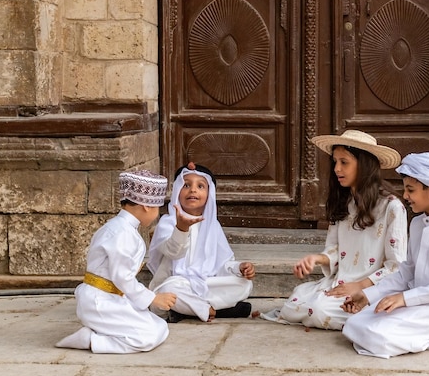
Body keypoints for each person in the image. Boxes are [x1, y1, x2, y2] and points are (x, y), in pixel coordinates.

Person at [340, 152, 429, 358]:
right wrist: (367, 296)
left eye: (411, 190)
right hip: (415, 302)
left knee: (376, 336)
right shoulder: (418, 224)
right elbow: (405, 274)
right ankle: (424, 332)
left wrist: (404, 298)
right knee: (354, 324)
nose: (405, 196)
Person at [261, 129, 408, 330]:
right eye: (335, 162)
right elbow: (336, 249)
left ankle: (365, 314)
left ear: (364, 165)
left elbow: (396, 265)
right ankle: (356, 317)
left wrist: (360, 285)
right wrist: (316, 259)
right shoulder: (343, 203)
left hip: (371, 288)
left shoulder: (392, 207)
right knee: (296, 299)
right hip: (339, 282)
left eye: (344, 162)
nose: (337, 169)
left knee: (319, 310)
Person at [56, 170, 177, 353]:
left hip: (112, 298)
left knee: (160, 327)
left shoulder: (119, 228)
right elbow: (122, 278)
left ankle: (101, 332)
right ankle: (90, 340)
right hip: (99, 302)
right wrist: (153, 298)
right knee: (148, 338)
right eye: (157, 209)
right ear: (146, 206)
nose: (156, 214)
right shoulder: (122, 233)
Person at [147, 162, 255, 323]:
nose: (193, 190)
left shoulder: (212, 225)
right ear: (177, 191)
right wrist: (181, 229)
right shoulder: (167, 222)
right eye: (186, 185)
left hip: (205, 282)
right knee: (166, 291)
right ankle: (211, 310)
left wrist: (239, 268)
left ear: (209, 194)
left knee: (244, 284)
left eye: (200, 186)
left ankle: (186, 311)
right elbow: (173, 252)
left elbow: (223, 264)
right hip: (177, 282)